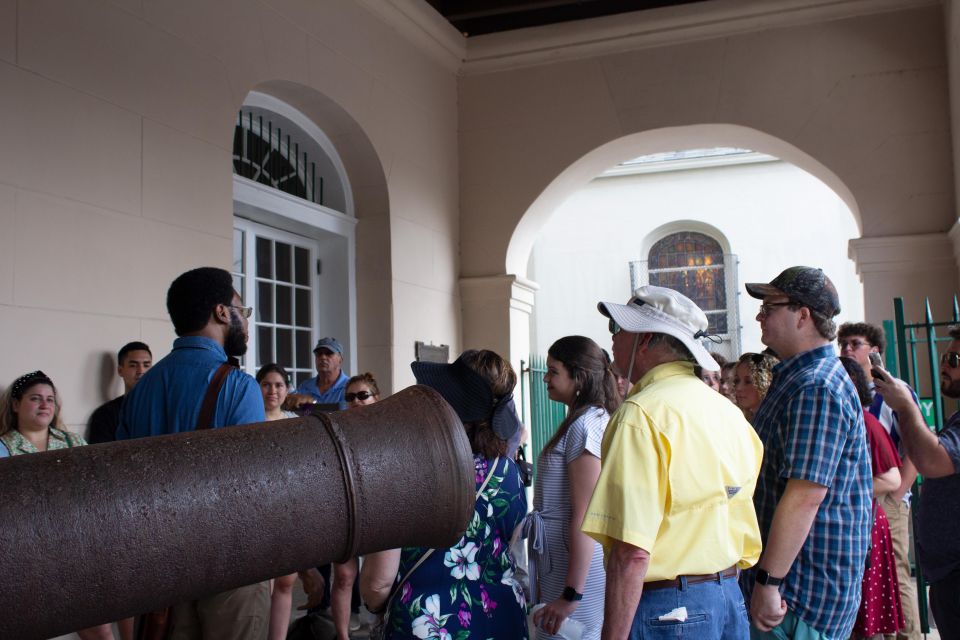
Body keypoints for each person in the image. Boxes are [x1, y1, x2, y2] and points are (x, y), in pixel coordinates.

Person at [581, 286, 763, 640]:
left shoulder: (641, 414)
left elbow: (632, 550)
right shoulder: (728, 412)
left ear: (644, 339)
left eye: (617, 330)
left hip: (669, 608)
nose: (614, 341)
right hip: (727, 596)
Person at [117, 266, 270, 639]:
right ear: (221, 312)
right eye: (242, 311)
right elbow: (253, 487)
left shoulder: (141, 391)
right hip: (230, 563)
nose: (245, 322)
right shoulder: (238, 387)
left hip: (160, 568)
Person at [360, 350, 529, 639]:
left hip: (429, 626)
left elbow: (378, 585)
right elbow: (510, 549)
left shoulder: (406, 473)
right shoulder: (510, 474)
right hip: (502, 622)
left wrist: (376, 607)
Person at [743, 266, 872, 639]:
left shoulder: (816, 387)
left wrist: (768, 582)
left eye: (770, 306)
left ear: (803, 316)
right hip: (794, 590)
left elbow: (804, 498)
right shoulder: (801, 378)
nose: (759, 315)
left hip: (797, 598)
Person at [0, 370, 115, 640]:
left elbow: (94, 489)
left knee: (98, 627)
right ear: (16, 405)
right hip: (24, 553)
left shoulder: (72, 442)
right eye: (35, 398)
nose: (44, 405)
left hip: (75, 548)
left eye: (49, 399)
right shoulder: (4, 447)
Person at [527, 336, 619, 640]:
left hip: (576, 570)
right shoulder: (580, 420)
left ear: (578, 377)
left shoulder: (587, 425)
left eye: (553, 371)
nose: (546, 378)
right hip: (562, 563)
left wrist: (571, 594)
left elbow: (586, 514)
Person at [838, 322, 923, 640]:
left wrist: (899, 492)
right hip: (864, 496)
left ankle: (910, 636)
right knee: (872, 576)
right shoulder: (847, 390)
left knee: (897, 574)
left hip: (888, 493)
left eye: (855, 343)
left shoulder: (894, 391)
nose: (846, 348)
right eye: (843, 343)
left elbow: (915, 445)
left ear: (874, 350)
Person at [873, 326, 960, 637]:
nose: (944, 365)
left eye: (954, 358)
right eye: (945, 356)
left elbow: (929, 460)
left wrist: (906, 406)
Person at [257, 363, 325, 640]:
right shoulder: (247, 417)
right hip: (258, 505)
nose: (272, 391)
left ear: (287, 390)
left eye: (278, 385)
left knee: (286, 580)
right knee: (263, 584)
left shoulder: (295, 422)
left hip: (286, 505)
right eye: (266, 384)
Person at [838, 357, 904, 638]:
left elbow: (892, 479)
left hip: (866, 528)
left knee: (867, 620)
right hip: (850, 525)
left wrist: (841, 489)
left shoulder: (867, 423)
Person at [329, 372, 382, 640]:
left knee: (378, 578)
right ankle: (342, 635)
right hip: (347, 510)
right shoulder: (339, 432)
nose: (356, 402)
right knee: (344, 576)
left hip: (378, 508)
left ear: (376, 398)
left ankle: (377, 629)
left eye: (363, 396)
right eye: (350, 397)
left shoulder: (386, 432)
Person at [88, 341, 152, 445]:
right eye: (133, 365)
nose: (141, 371)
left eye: (146, 365)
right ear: (120, 370)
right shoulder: (105, 414)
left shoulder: (162, 408)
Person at [288, 337, 350, 410]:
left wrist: (311, 404)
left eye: (329, 353)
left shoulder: (350, 387)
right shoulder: (305, 386)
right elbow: (301, 414)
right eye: (319, 354)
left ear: (340, 359)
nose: (323, 357)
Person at [733, 352, 778, 422]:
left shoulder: (775, 421)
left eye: (748, 381)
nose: (739, 388)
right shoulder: (738, 419)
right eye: (737, 380)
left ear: (766, 383)